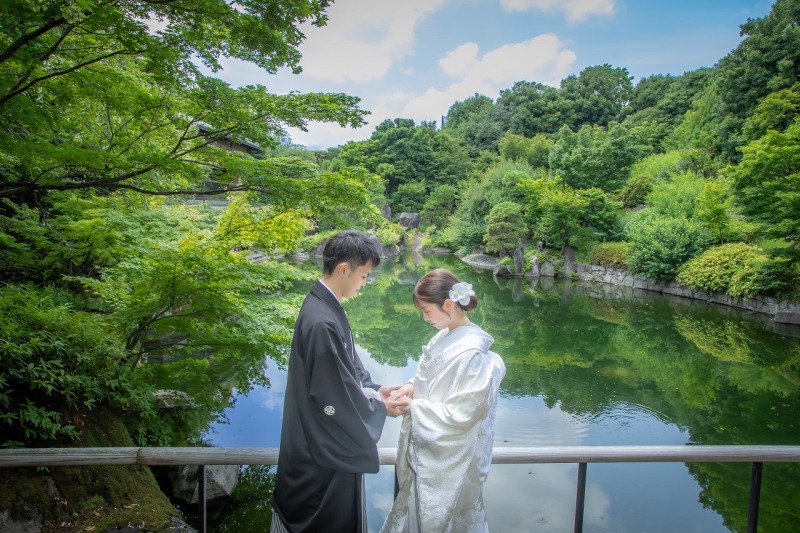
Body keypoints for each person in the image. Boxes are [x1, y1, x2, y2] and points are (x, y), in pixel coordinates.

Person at [272, 230, 408, 533]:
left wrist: (374, 392)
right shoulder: (321, 320)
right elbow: (332, 394)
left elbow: (347, 371)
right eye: (363, 276)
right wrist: (380, 408)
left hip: (318, 440)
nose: (365, 283)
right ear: (344, 269)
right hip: (319, 456)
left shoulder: (325, 306)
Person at [380, 269, 506, 533]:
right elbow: (430, 376)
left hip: (452, 465)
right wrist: (411, 386)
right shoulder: (446, 334)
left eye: (427, 310)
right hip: (427, 453)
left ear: (448, 305)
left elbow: (463, 415)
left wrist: (414, 408)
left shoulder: (473, 352)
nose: (425, 318)